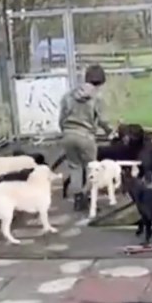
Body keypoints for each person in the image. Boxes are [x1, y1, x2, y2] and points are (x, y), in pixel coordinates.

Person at [58, 64, 112, 211]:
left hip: (68, 135)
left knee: (75, 167)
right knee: (91, 169)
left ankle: (78, 199)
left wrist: (65, 130)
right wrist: (110, 132)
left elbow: (62, 117)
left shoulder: (69, 95)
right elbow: (102, 120)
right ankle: (88, 198)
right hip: (86, 136)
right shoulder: (96, 98)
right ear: (101, 81)